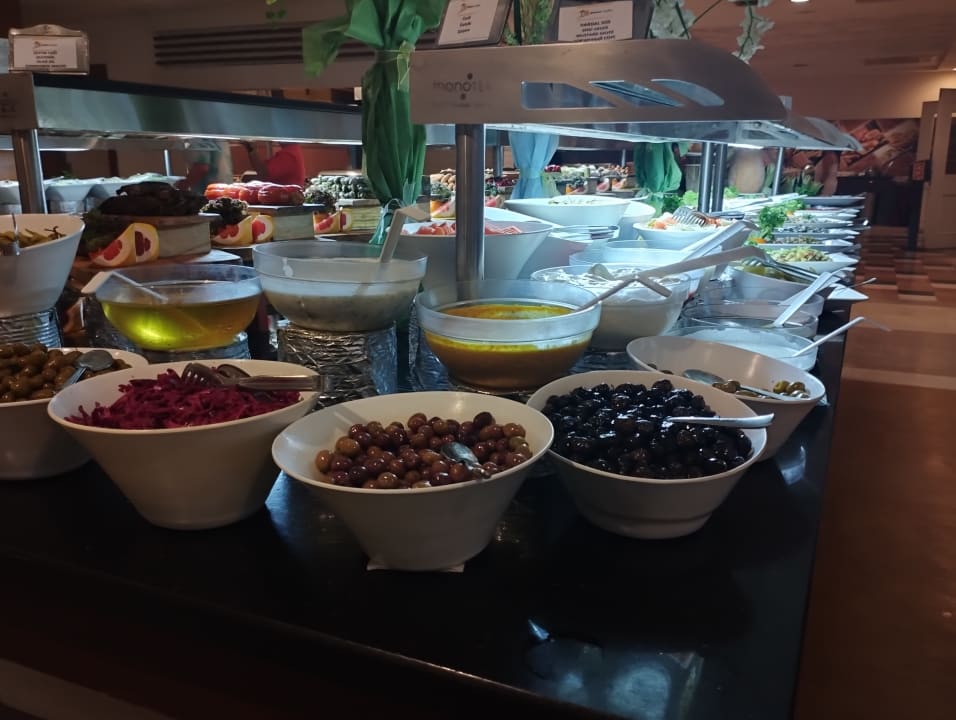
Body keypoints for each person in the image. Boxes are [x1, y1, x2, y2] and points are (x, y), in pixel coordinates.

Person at [242, 141, 306, 186]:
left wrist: (251, 149)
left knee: (247, 178)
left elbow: (264, 173)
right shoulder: (293, 150)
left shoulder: (288, 155)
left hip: (284, 198)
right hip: (283, 196)